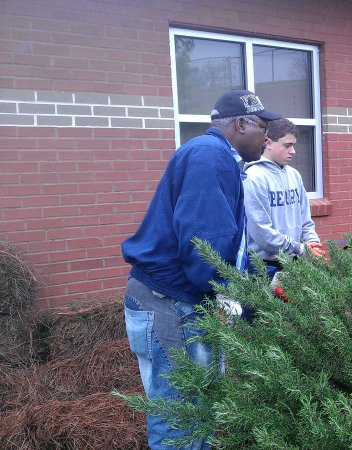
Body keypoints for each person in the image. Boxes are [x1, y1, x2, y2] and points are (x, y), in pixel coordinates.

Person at [121, 89, 280, 449]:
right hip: (169, 301)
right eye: (263, 127)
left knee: (197, 408)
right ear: (242, 124)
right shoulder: (210, 157)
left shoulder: (213, 155)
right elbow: (204, 245)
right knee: (181, 417)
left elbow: (219, 241)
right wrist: (235, 294)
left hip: (175, 297)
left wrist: (249, 282)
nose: (267, 138)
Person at [243, 118, 324, 279]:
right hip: (263, 266)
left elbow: (305, 219)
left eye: (294, 145)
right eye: (287, 145)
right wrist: (300, 248)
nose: (293, 151)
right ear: (268, 143)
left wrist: (313, 244)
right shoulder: (253, 177)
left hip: (294, 260)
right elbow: (261, 231)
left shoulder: (294, 175)